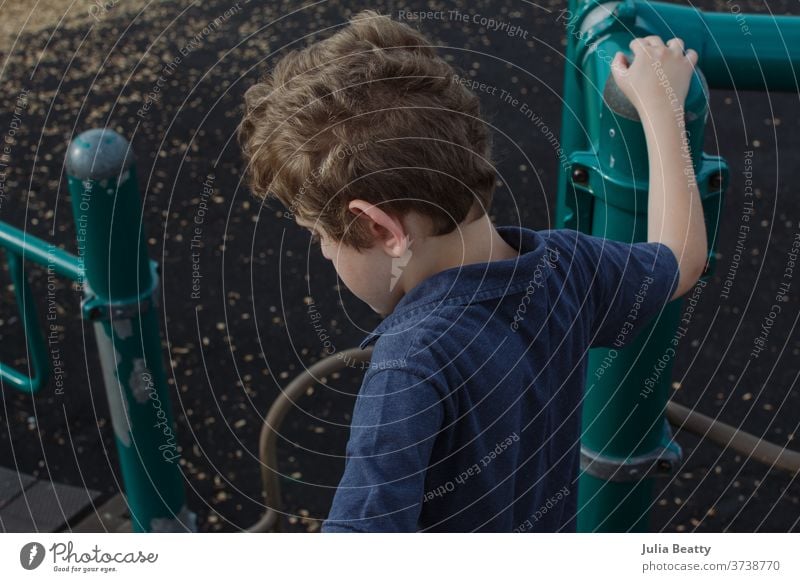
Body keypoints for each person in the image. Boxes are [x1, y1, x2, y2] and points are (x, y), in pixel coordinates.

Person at [237, 9, 706, 532]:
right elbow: (680, 259)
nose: (324, 253)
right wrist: (665, 107)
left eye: (318, 236)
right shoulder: (567, 267)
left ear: (378, 229)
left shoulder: (409, 367)